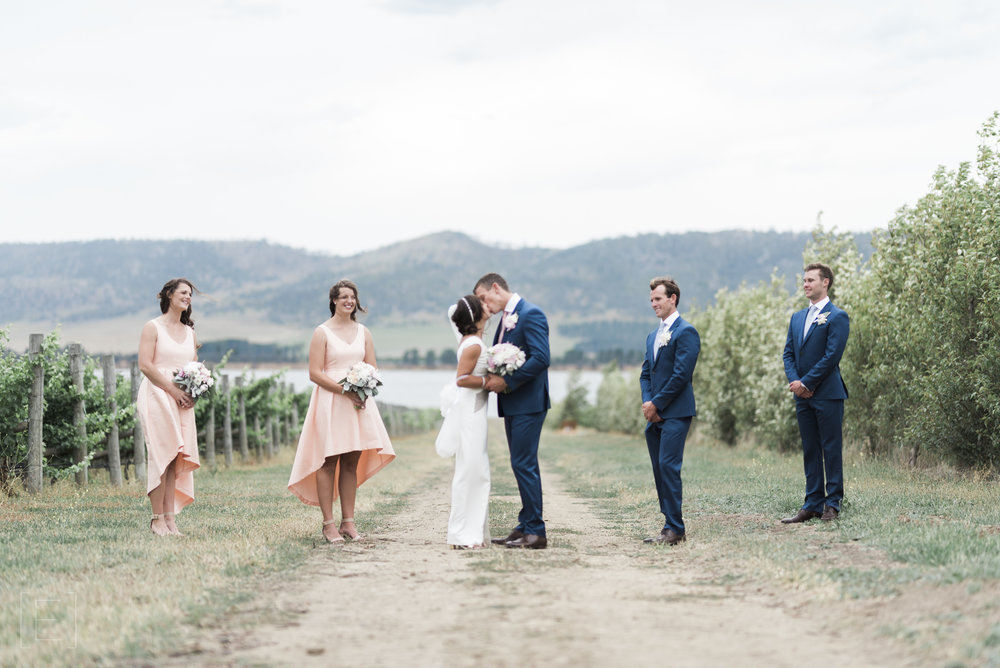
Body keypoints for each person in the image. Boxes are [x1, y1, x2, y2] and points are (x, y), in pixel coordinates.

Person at [288, 280, 396, 543]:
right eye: (344, 297)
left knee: (351, 462)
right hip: (331, 401)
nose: (349, 301)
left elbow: (372, 368)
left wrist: (364, 389)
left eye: (353, 297)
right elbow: (315, 373)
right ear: (334, 301)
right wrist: (344, 390)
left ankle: (348, 522)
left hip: (358, 403)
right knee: (328, 461)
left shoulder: (364, 332)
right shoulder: (322, 332)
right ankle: (328, 525)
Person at [474, 273, 550, 549]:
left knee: (524, 464)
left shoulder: (531, 314)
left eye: (484, 298)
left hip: (529, 402)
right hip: (515, 403)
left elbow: (541, 358)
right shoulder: (507, 318)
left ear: (496, 288)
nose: (484, 305)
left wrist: (508, 381)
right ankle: (524, 525)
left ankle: (536, 531)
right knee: (519, 463)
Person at [781, 263, 850, 523]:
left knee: (830, 449)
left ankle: (832, 503)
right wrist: (795, 382)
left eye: (811, 280)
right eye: (804, 280)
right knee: (810, 448)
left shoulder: (837, 316)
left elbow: (832, 356)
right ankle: (812, 503)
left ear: (825, 282)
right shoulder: (797, 318)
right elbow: (788, 353)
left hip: (828, 394)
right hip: (802, 395)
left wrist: (808, 383)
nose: (805, 284)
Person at [136, 278, 202, 537]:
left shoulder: (190, 333)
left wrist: (193, 393)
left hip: (181, 401)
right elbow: (145, 365)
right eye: (183, 292)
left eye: (190, 294)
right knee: (161, 455)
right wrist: (172, 390)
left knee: (175, 456)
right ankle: (156, 520)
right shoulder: (152, 327)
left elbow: (193, 369)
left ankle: (170, 520)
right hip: (157, 394)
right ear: (169, 295)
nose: (188, 297)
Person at [639, 276, 700, 545]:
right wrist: (647, 403)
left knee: (668, 466)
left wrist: (657, 404)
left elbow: (681, 375)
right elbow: (645, 374)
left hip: (676, 412)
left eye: (658, 299)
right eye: (651, 299)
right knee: (659, 468)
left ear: (672, 298)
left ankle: (676, 528)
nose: (654, 303)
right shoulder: (653, 336)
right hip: (654, 414)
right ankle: (668, 525)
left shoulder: (686, 332)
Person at [435, 296, 492, 549]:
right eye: (483, 304)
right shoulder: (473, 345)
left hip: (475, 409)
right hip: (471, 412)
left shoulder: (471, 340)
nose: (488, 306)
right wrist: (488, 381)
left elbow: (452, 311)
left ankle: (472, 531)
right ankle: (463, 534)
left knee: (474, 469)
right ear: (476, 313)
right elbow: (461, 379)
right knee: (473, 471)